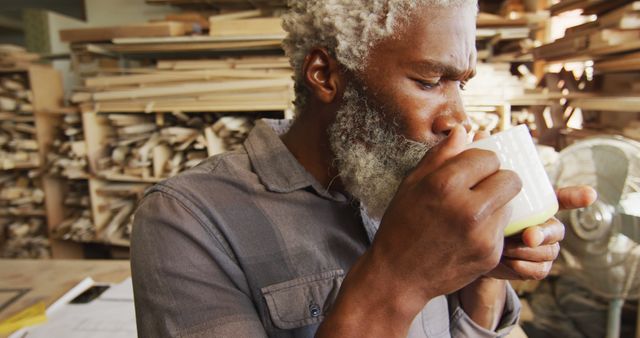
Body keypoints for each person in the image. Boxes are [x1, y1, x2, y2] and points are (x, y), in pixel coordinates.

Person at [131, 1, 597, 337]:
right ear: (326, 75)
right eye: (431, 81)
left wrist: (481, 273)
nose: (457, 117)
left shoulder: (406, 176)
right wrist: (397, 276)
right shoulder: (186, 221)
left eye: (461, 83)